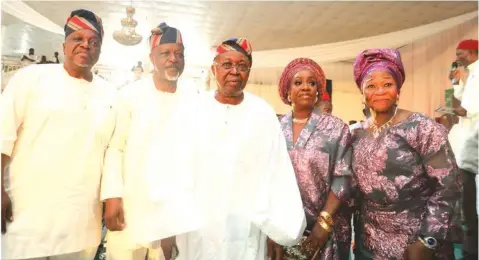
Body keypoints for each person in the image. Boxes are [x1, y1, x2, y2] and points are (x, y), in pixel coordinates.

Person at [175, 38, 306, 260]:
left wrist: (276, 230)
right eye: (227, 65)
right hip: (199, 227)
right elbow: (177, 170)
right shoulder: (193, 110)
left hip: (247, 228)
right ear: (214, 69)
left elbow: (277, 173)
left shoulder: (262, 113)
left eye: (242, 66)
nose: (235, 71)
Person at [1, 9, 116, 260]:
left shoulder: (110, 95)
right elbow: (3, 135)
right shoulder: (31, 78)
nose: (86, 45)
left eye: (93, 42)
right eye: (78, 39)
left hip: (81, 224)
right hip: (26, 218)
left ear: (100, 50)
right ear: (64, 45)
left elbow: (113, 153)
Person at [350, 48, 461, 260]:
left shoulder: (421, 127)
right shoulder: (355, 133)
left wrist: (428, 240)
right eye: (371, 86)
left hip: (416, 244)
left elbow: (449, 185)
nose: (380, 91)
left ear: (398, 89)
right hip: (368, 243)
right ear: (362, 93)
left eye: (387, 84)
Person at [101, 22, 200, 260]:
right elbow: (115, 148)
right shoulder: (129, 95)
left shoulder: (195, 99)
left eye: (179, 54)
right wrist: (112, 197)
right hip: (132, 206)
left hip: (172, 211)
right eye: (165, 53)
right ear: (152, 58)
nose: (173, 59)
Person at [276, 58, 353, 259]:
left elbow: (343, 178)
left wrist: (323, 224)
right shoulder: (274, 127)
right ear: (287, 91)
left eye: (312, 83)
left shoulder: (336, 129)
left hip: (326, 231)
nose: (306, 87)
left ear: (318, 91)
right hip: (283, 228)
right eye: (298, 82)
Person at [454, 39, 479, 260]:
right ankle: (471, 249)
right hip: (469, 145)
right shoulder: (469, 73)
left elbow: (469, 107)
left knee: (471, 203)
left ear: (472, 52)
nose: (457, 56)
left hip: (475, 140)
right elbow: (460, 101)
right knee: (468, 203)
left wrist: (465, 111)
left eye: (459, 53)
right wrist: (456, 83)